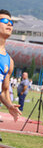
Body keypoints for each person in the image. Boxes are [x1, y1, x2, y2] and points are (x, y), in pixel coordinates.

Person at [0, 9, 22, 140]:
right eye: (4, 21)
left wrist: (9, 105)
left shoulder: (9, 61)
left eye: (11, 22)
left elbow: (3, 91)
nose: (9, 24)